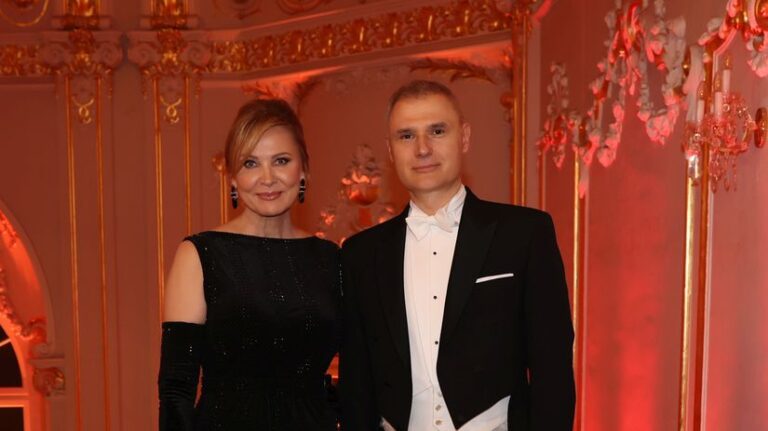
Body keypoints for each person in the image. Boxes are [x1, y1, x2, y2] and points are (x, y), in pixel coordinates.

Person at [340, 80, 575, 431]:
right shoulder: (361, 254)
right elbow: (356, 384)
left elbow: (552, 369)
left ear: (464, 137)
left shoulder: (524, 233)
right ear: (390, 150)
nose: (422, 148)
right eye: (406, 136)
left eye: (437, 131)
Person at [158, 98, 341, 430]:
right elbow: (176, 391)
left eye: (281, 161)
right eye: (250, 163)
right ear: (232, 178)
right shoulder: (200, 254)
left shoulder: (331, 259)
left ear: (303, 169)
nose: (267, 178)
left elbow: (355, 377)